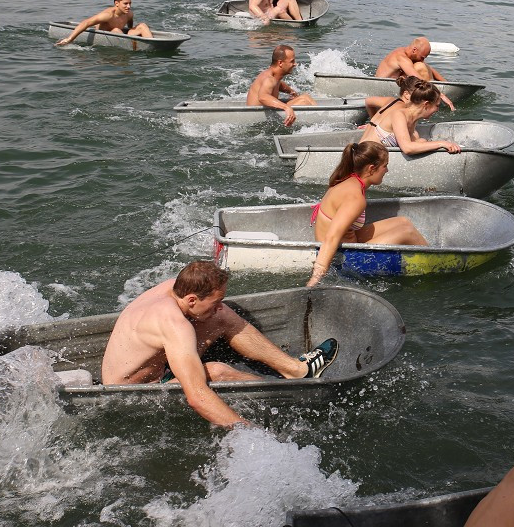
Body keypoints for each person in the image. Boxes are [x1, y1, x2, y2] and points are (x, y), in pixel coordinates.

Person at [101, 260, 338, 427]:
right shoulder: (173, 324)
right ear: (192, 299)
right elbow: (196, 397)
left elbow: (211, 311)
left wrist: (214, 308)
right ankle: (287, 395)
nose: (219, 304)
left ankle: (295, 370)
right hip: (131, 390)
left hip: (151, 364)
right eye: (216, 300)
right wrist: (246, 432)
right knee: (217, 370)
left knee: (222, 316)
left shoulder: (175, 288)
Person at [306, 142, 427, 287]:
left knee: (403, 222)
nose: (387, 170)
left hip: (347, 245)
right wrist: (316, 277)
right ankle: (437, 261)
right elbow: (332, 237)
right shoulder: (355, 198)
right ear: (371, 169)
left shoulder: (349, 180)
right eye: (385, 166)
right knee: (407, 232)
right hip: (344, 258)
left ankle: (430, 253)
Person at [360, 76, 461, 155]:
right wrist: (441, 143)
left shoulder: (412, 118)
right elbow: (407, 148)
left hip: (377, 157)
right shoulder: (399, 113)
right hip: (365, 160)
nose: (438, 110)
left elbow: (368, 101)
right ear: (426, 104)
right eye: (437, 106)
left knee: (421, 140)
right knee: (421, 141)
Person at [374, 37, 455, 110]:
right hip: (380, 85)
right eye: (422, 57)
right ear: (414, 50)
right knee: (420, 67)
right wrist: (440, 94)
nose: (423, 60)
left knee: (422, 65)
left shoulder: (409, 54)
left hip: (396, 81)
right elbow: (417, 78)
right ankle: (428, 98)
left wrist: (446, 83)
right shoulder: (402, 58)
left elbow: (430, 68)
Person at [246, 44, 317, 126]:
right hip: (256, 120)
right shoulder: (269, 79)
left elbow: (279, 84)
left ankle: (320, 118)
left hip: (267, 113)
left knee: (305, 96)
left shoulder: (273, 77)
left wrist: (291, 92)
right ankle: (320, 123)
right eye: (292, 61)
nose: (295, 64)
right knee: (304, 102)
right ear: (280, 63)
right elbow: (263, 97)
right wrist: (286, 108)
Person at [55, 0, 153, 47]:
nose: (129, 6)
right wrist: (69, 39)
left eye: (130, 3)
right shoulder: (108, 15)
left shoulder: (129, 14)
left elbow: (130, 27)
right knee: (116, 29)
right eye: (125, 4)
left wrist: (136, 30)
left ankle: (152, 44)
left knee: (143, 25)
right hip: (105, 36)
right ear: (117, 3)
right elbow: (86, 23)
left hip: (121, 35)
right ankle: (134, 45)